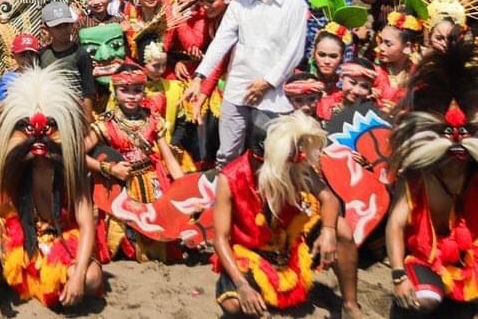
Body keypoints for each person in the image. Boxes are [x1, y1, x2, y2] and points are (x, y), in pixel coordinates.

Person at [0, 65, 103, 310]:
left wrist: (80, 273)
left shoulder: (72, 171)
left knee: (92, 279)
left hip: (60, 239)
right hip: (20, 236)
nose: (40, 139)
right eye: (30, 131)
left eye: (48, 130)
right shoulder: (13, 167)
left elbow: (86, 224)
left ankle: (59, 286)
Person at [211, 112, 361, 317]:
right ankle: (256, 295)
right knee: (233, 305)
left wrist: (328, 232)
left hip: (290, 245)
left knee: (341, 228)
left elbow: (329, 199)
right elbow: (220, 239)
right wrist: (242, 284)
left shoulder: (295, 166)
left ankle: (351, 305)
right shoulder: (229, 178)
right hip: (251, 252)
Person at [187, 0, 308, 166]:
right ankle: (225, 196)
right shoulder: (239, 4)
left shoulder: (293, 3)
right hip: (237, 91)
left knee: (272, 156)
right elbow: (221, 42)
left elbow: (295, 51)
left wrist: (268, 82)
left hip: (273, 95)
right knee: (227, 155)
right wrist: (199, 76)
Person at [385, 38, 478, 314]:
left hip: (467, 256)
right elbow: (395, 226)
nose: (459, 143)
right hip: (424, 258)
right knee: (423, 301)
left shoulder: (474, 175)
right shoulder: (416, 177)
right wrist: (398, 276)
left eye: (467, 134)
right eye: (450, 134)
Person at [87, 65, 185, 263]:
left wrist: (186, 189)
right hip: (120, 184)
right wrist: (109, 168)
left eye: (137, 90)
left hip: (152, 181)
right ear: (115, 92)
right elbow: (76, 154)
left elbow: (168, 158)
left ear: (144, 91)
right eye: (124, 90)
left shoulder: (153, 120)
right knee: (121, 233)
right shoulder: (105, 124)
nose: (131, 96)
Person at [39, 1, 96, 119]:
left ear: (72, 25)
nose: (63, 30)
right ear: (46, 29)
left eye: (66, 25)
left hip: (75, 112)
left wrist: (88, 121)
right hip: (50, 112)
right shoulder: (42, 55)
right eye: (57, 27)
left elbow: (88, 91)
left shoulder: (81, 54)